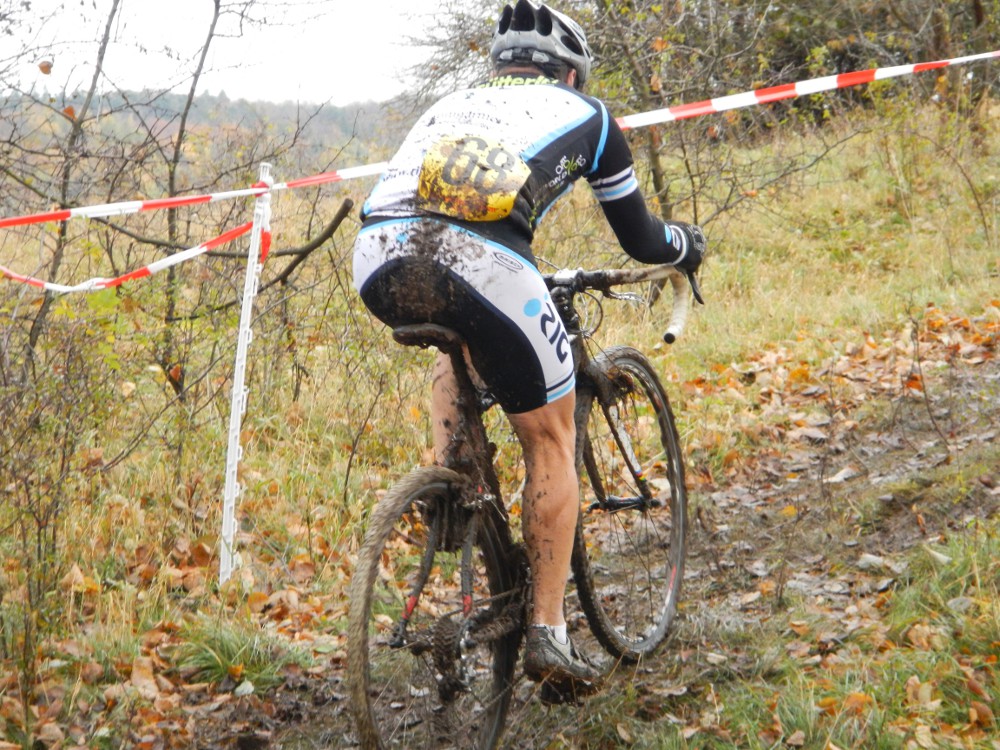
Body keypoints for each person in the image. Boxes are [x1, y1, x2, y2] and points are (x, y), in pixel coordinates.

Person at [352, 0, 705, 700]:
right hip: (482, 261)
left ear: (500, 68)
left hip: (376, 257)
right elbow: (641, 240)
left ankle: (453, 484)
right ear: (571, 74)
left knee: (458, 342)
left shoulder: (454, 102)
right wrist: (686, 246)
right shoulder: (590, 116)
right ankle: (548, 631)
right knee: (550, 438)